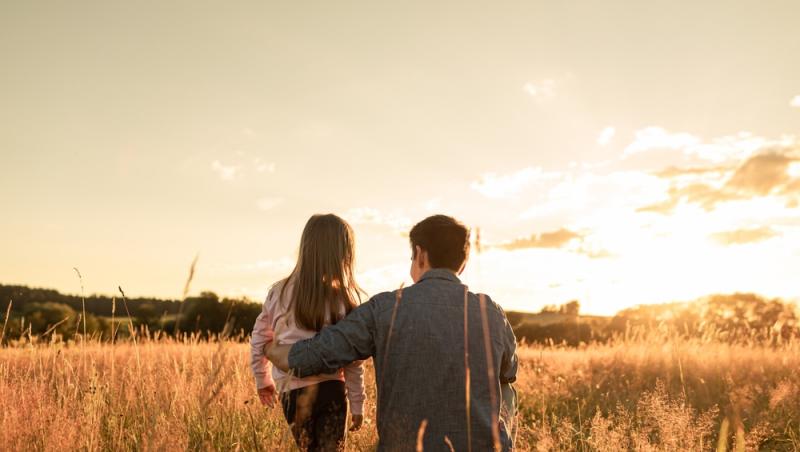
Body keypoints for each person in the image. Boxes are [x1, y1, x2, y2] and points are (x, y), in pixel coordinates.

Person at [266, 215, 518, 451]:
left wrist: (271, 350)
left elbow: (317, 354)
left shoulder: (385, 309)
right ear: (462, 264)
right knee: (507, 388)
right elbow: (508, 375)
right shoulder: (492, 313)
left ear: (420, 254)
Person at [250, 214, 366, 451]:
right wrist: (357, 403)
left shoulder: (279, 292)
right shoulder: (343, 300)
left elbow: (260, 338)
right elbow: (353, 357)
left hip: (291, 391)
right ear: (344, 254)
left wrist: (263, 379)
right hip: (332, 389)